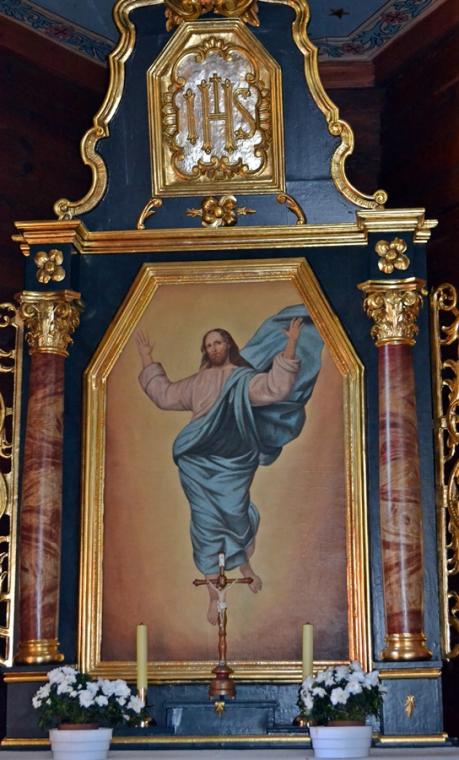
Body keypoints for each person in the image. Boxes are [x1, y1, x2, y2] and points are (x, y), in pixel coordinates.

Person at [136, 305, 323, 624]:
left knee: (235, 514)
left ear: (229, 346)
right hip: (196, 459)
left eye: (218, 342)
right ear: (205, 351)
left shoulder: (242, 380)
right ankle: (214, 597)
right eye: (208, 344)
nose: (213, 348)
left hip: (233, 460)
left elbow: (276, 388)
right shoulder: (196, 382)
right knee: (204, 524)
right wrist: (146, 358)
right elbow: (164, 395)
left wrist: (291, 343)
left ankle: (245, 567)